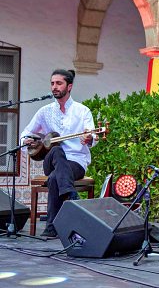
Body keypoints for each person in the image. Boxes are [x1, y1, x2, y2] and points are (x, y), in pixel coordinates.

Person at [21, 69, 96, 238]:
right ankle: (70, 193)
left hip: (76, 162)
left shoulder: (82, 111)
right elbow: (25, 133)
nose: (54, 87)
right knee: (55, 150)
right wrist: (27, 140)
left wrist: (88, 138)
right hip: (51, 162)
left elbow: (92, 135)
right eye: (52, 83)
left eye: (59, 83)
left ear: (69, 86)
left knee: (55, 178)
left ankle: (51, 228)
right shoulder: (44, 111)